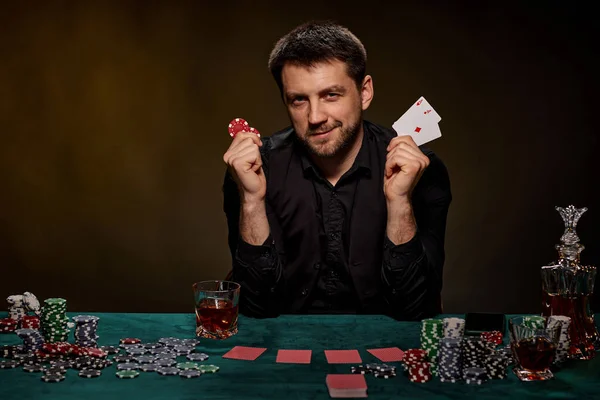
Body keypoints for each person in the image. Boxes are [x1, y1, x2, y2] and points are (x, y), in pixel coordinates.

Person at [222, 20, 452, 321]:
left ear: (364, 92)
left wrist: (399, 203)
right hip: (286, 346)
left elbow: (415, 311)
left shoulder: (422, 169)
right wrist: (252, 201)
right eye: (299, 100)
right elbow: (255, 309)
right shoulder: (253, 169)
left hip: (382, 350)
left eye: (331, 95)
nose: (315, 117)